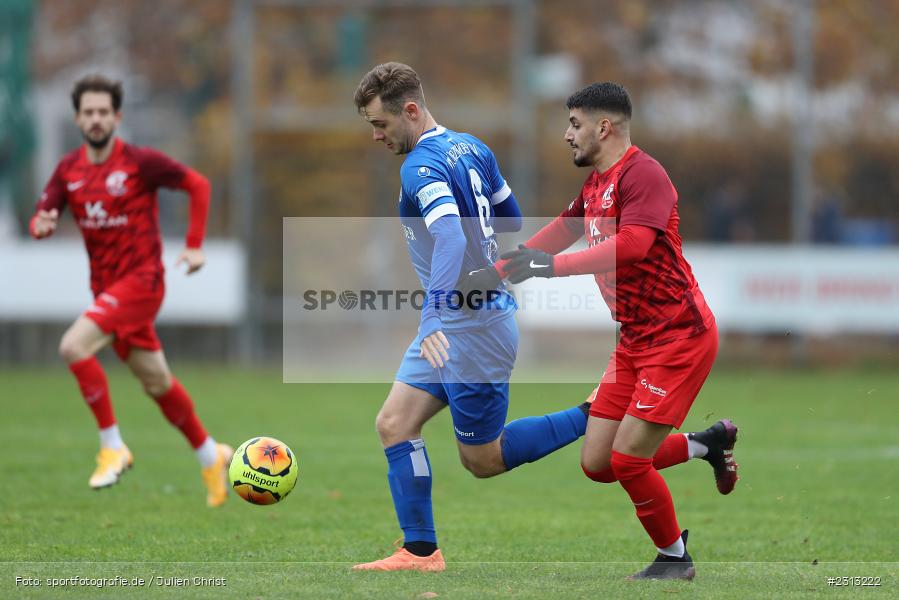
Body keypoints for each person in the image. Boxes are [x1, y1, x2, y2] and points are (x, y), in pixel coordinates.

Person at [471, 82, 740, 580]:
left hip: (679, 336)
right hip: (635, 340)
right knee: (599, 462)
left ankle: (675, 560)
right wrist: (496, 272)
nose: (566, 135)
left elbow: (635, 244)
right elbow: (563, 227)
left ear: (603, 127)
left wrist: (551, 268)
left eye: (574, 124)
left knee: (629, 460)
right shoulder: (596, 184)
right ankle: (707, 445)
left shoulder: (645, 174)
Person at [351, 62, 591, 572]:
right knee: (394, 424)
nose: (376, 136)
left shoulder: (419, 167)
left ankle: (592, 412)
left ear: (410, 110)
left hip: (470, 328)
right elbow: (508, 217)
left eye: (380, 124)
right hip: (461, 319)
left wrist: (436, 311)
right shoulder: (472, 147)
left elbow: (452, 236)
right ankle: (421, 552)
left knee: (483, 460)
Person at [29, 74, 232, 507]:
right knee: (156, 380)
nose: (97, 119)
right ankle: (210, 454)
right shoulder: (68, 170)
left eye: (104, 111)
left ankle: (112, 446)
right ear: (78, 118)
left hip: (142, 283)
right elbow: (43, 212)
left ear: (117, 116)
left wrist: (194, 246)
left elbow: (199, 184)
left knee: (73, 347)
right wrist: (41, 224)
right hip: (106, 289)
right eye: (89, 112)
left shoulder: (139, 162)